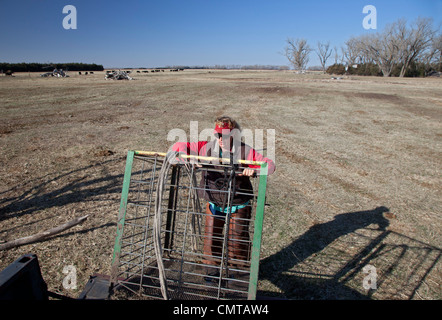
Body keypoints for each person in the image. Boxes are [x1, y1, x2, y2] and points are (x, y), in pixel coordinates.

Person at [170, 116, 275, 280]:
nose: (221, 139)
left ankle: (237, 275)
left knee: (237, 240)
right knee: (211, 239)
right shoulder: (206, 148)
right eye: (219, 135)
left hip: (238, 203)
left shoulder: (246, 151)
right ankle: (211, 273)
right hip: (214, 202)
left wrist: (254, 171)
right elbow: (178, 146)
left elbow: (269, 165)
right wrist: (188, 158)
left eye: (226, 136)